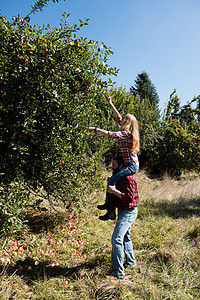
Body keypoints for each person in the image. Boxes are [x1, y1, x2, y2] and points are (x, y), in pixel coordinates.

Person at [86, 95, 140, 188]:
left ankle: (112, 202)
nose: (121, 119)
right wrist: (110, 103)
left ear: (127, 122)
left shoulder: (127, 134)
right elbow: (118, 117)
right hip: (129, 165)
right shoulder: (128, 132)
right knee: (113, 180)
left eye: (124, 119)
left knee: (111, 182)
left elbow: (110, 134)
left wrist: (95, 129)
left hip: (131, 166)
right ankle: (112, 202)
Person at [107, 164, 139, 279]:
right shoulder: (120, 177)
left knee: (116, 239)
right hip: (124, 210)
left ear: (121, 165)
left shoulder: (128, 178)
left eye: (114, 164)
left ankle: (118, 272)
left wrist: (114, 191)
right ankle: (131, 262)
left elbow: (130, 198)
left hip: (128, 212)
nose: (111, 166)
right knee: (125, 237)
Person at [98, 156, 124, 221]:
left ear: (120, 166)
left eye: (113, 165)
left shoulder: (121, 174)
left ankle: (111, 213)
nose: (112, 167)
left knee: (111, 189)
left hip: (123, 200)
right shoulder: (116, 172)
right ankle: (107, 206)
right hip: (121, 199)